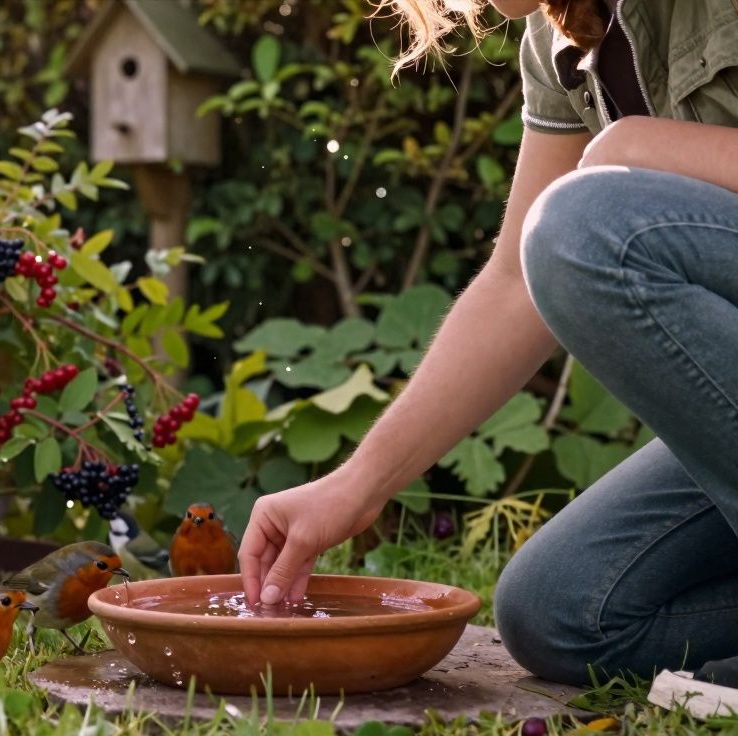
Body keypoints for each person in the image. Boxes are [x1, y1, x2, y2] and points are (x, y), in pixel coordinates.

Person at [238, 0, 738, 713]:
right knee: (564, 608)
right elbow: (517, 283)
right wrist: (357, 485)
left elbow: (582, 232)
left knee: (587, 223)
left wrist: (638, 147)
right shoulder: (557, 32)